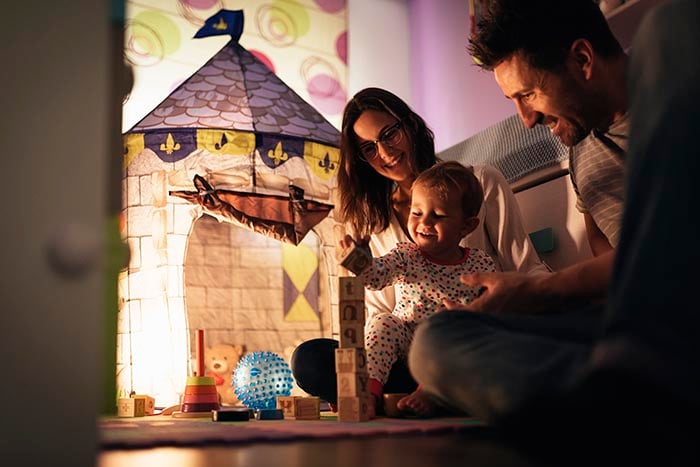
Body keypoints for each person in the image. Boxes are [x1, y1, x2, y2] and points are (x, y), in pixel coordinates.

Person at [410, 0, 700, 463]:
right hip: (631, 333)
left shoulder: (673, 82)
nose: (524, 119)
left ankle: (626, 394)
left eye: (527, 95)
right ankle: (630, 399)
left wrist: (543, 289)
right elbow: (606, 270)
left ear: (582, 60)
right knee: (438, 339)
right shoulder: (581, 155)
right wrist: (525, 303)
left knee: (672, 20)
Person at [291, 87, 548, 415]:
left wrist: (556, 304)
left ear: (409, 124)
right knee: (309, 359)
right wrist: (358, 262)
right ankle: (401, 393)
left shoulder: (480, 183)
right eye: (369, 148)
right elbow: (376, 308)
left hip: (467, 343)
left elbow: (525, 270)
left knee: (510, 345)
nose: (384, 153)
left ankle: (428, 393)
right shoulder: (373, 220)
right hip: (401, 351)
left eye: (389, 134)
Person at [340, 161, 496, 416]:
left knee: (467, 331)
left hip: (447, 349)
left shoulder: (480, 263)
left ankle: (431, 391)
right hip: (406, 346)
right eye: (416, 213)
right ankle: (368, 391)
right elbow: (375, 278)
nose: (424, 223)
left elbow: (491, 311)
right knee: (382, 322)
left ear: (467, 226)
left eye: (439, 216)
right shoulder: (406, 254)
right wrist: (359, 259)